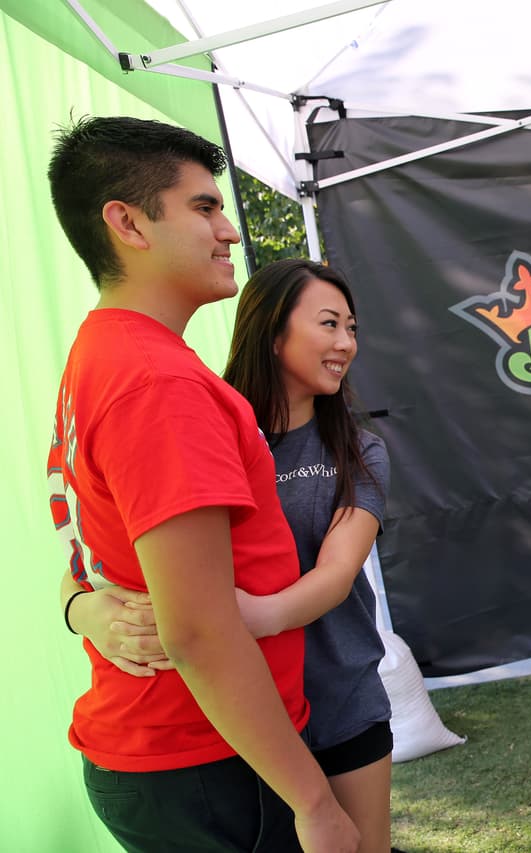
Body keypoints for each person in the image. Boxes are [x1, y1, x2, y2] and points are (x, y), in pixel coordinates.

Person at [47, 116, 358, 851]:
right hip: (206, 759)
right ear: (127, 223)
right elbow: (197, 629)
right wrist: (314, 803)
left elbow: (94, 549)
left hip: (186, 749)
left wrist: (78, 606)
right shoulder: (155, 381)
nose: (230, 231)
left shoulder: (107, 353)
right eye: (204, 208)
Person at [71, 260, 397, 852]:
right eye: (329, 324)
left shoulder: (360, 449)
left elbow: (336, 573)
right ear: (273, 330)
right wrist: (85, 611)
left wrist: (228, 620)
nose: (346, 343)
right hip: (247, 714)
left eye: (352, 328)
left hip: (338, 697)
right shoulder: (205, 420)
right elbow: (97, 549)